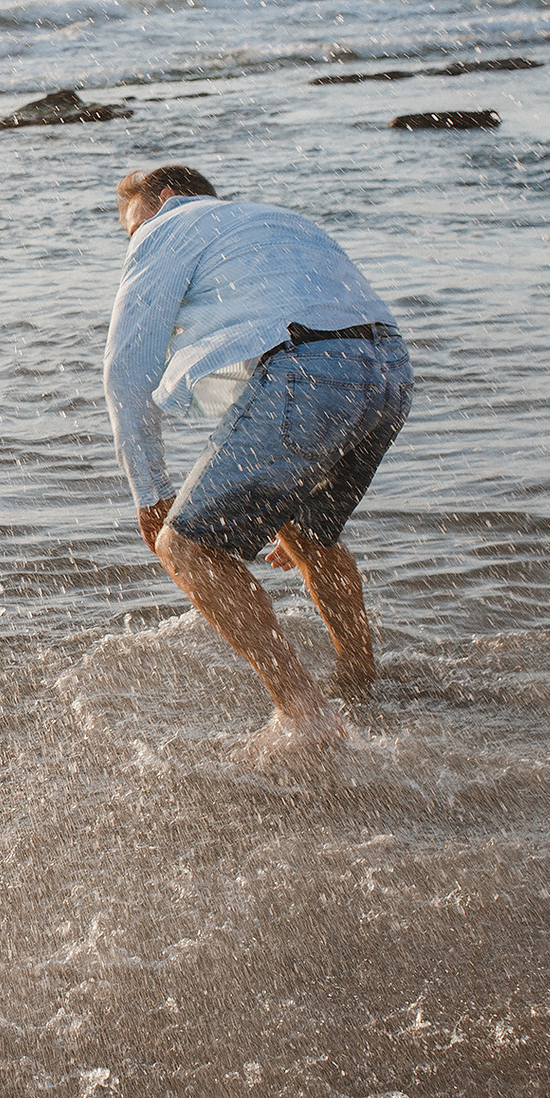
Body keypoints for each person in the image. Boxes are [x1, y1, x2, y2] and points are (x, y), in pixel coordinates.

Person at [102, 163, 411, 762]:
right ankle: (360, 678)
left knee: (185, 545)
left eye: (132, 226)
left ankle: (303, 714)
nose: (133, 242)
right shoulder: (275, 221)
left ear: (165, 198)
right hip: (388, 368)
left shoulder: (168, 226)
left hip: (309, 368)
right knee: (308, 534)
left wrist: (149, 493)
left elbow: (126, 370)